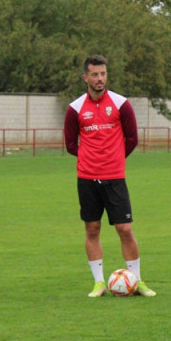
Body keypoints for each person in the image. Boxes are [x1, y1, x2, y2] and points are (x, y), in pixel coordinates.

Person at [64, 54, 156, 298]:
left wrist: (113, 159)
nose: (100, 79)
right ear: (85, 77)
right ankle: (99, 283)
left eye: (103, 74)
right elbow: (70, 144)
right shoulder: (74, 109)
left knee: (124, 228)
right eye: (95, 74)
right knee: (92, 229)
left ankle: (136, 280)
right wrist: (90, 159)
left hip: (115, 177)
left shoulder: (120, 104)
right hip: (86, 178)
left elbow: (132, 138)